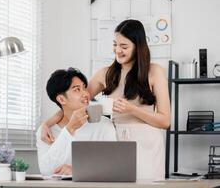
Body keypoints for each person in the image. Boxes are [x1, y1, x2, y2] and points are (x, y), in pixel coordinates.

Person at [40, 19, 171, 180]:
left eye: (124, 46)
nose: (118, 50)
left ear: (138, 47)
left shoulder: (155, 71)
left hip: (147, 143)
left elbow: (165, 121)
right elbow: (76, 103)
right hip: (115, 139)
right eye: (115, 44)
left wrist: (132, 109)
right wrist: (48, 123)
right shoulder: (106, 74)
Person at [36, 68, 116, 176]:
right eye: (77, 89)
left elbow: (112, 165)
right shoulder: (46, 132)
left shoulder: (104, 125)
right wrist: (69, 129)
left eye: (84, 88)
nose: (86, 94)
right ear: (62, 99)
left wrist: (79, 170)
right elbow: (46, 170)